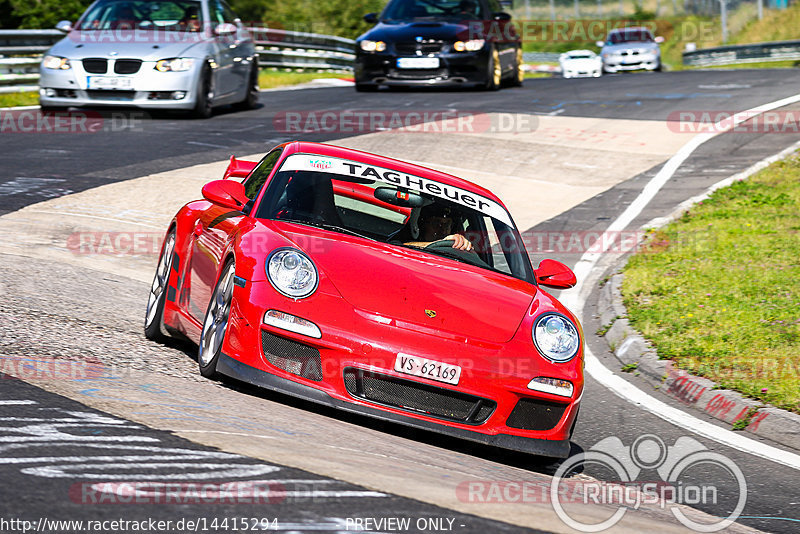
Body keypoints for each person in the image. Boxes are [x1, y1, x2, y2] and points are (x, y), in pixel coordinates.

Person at [405, 203, 472, 251]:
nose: (442, 230)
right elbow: (401, 246)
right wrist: (440, 243)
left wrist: (463, 244)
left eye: (447, 225)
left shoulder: (456, 250)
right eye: (436, 224)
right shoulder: (402, 238)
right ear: (422, 225)